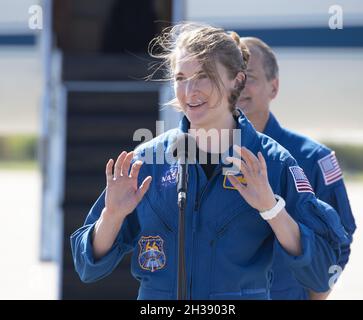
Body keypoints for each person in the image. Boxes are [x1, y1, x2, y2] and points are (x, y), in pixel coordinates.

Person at [70, 23, 348, 300]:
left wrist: (271, 209)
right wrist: (113, 216)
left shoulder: (273, 163)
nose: (189, 91)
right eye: (180, 77)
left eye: (203, 76)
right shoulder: (148, 162)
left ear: (236, 81)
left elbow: (321, 274)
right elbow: (87, 267)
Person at [237, 37, 356, 300]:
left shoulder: (313, 158)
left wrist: (317, 294)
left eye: (251, 77)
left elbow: (340, 238)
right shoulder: (206, 156)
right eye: (234, 78)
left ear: (274, 87)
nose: (240, 86)